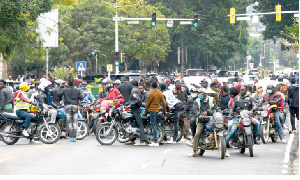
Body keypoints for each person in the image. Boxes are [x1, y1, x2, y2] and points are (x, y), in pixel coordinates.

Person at [188, 89, 226, 157]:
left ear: (204, 93)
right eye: (198, 93)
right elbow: (195, 110)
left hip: (211, 120)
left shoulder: (212, 100)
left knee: (221, 131)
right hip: (201, 121)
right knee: (197, 134)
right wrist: (199, 115)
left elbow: (214, 109)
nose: (199, 94)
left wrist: (207, 112)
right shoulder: (196, 101)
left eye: (200, 93)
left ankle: (225, 151)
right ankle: (194, 151)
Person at [57, 77, 84, 142]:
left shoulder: (65, 90)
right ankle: (74, 137)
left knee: (69, 122)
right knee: (74, 122)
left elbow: (58, 94)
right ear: (74, 83)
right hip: (75, 106)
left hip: (68, 106)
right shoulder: (77, 90)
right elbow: (82, 98)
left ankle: (70, 137)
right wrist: (81, 93)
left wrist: (61, 87)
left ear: (68, 83)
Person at [144, 81, 167, 146]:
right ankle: (162, 137)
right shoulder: (160, 93)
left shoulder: (150, 93)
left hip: (152, 111)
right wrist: (164, 111)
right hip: (159, 110)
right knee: (157, 124)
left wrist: (145, 112)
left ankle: (155, 140)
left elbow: (147, 104)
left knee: (153, 125)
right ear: (157, 86)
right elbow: (164, 103)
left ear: (151, 85)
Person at [124, 79, 146, 146]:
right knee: (134, 123)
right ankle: (132, 139)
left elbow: (137, 99)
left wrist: (131, 105)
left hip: (136, 110)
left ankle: (142, 141)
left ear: (132, 84)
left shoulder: (134, 90)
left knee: (140, 125)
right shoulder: (137, 89)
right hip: (135, 109)